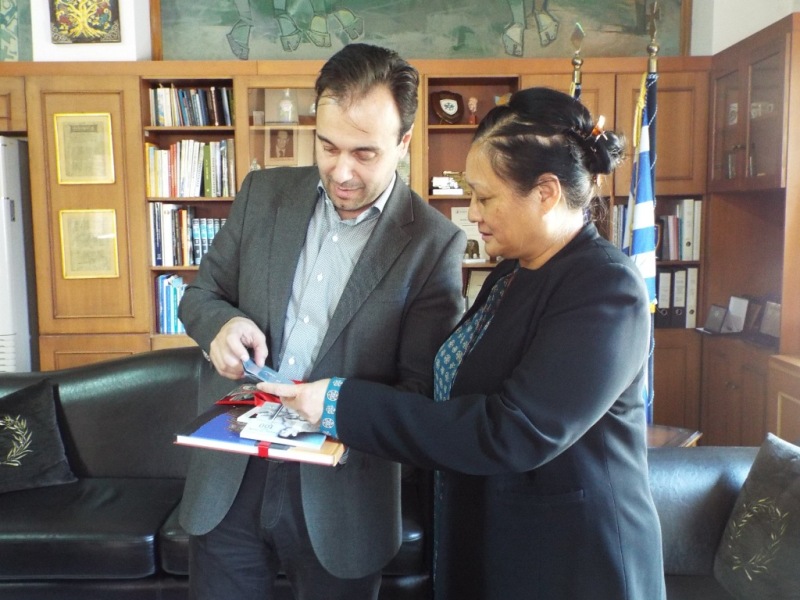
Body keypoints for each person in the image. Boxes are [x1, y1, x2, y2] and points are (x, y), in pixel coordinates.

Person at [260, 87, 667, 600]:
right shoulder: (511, 273)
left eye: (485, 197)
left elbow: (511, 431)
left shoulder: (605, 287)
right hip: (498, 543)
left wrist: (341, 404)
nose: (472, 213)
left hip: (573, 562)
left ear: (545, 192)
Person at [177, 43, 466, 600]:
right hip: (230, 480)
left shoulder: (433, 245)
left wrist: (335, 403)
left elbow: (419, 393)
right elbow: (201, 295)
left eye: (365, 153)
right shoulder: (263, 194)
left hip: (343, 496)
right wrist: (220, 327)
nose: (341, 170)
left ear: (404, 142)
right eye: (328, 146)